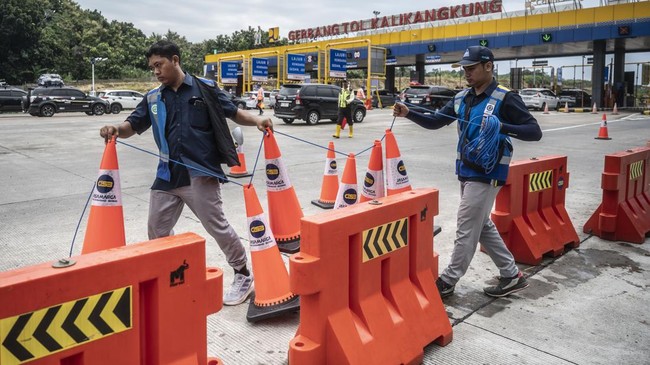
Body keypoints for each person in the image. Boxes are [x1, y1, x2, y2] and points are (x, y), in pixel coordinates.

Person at [99, 40, 273, 306]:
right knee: (156, 229)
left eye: (159, 65)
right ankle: (169, 277)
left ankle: (242, 273)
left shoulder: (205, 89)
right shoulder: (154, 98)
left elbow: (235, 113)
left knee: (216, 226)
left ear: (175, 60)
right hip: (167, 174)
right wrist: (115, 129)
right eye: (152, 67)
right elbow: (132, 125)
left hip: (200, 173)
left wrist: (259, 120)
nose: (156, 71)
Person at [393, 46, 542, 298]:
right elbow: (436, 121)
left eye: (471, 68)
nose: (466, 73)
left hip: (488, 172)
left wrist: (501, 126)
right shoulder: (463, 97)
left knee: (465, 226)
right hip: (466, 170)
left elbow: (534, 131)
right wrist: (410, 113)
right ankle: (511, 275)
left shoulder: (506, 98)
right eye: (464, 69)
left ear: (488, 66)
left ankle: (449, 280)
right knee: (481, 225)